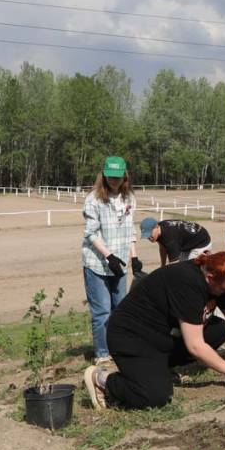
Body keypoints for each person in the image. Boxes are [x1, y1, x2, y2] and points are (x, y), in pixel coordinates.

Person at [83, 252, 225, 410]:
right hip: (131, 336)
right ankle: (103, 381)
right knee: (156, 397)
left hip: (160, 335)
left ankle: (160, 369)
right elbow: (195, 346)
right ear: (210, 277)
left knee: (218, 329)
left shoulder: (218, 279)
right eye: (224, 288)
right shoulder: (188, 283)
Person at [82, 156, 141, 367]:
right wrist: (108, 255)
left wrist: (133, 256)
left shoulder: (129, 199)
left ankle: (119, 347)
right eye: (110, 177)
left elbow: (129, 229)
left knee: (121, 309)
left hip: (121, 263)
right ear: (104, 176)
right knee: (102, 311)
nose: (114, 181)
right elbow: (91, 233)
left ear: (124, 175)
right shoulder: (94, 199)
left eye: (117, 177)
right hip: (97, 263)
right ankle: (102, 353)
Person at [139, 218, 212, 267]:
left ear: (157, 227)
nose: (149, 238)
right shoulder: (161, 227)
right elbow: (162, 248)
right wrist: (163, 266)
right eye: (147, 236)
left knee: (189, 270)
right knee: (182, 268)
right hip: (188, 242)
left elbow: (174, 264)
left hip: (201, 242)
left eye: (150, 234)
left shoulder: (170, 239)